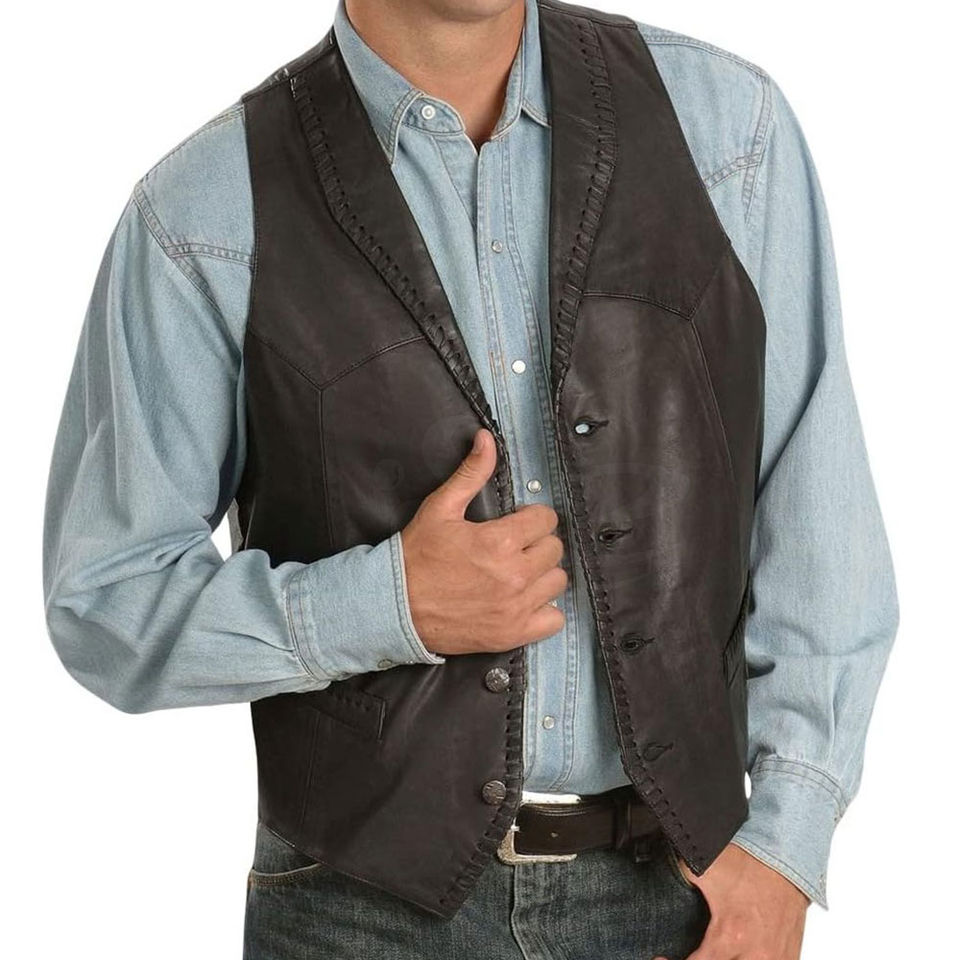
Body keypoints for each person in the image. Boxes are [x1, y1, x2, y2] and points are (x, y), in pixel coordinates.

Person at [41, 0, 899, 957]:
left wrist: (786, 846)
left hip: (680, 902)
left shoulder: (727, 128)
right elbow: (107, 600)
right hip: (354, 913)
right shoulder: (202, 210)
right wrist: (384, 605)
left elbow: (818, 518)